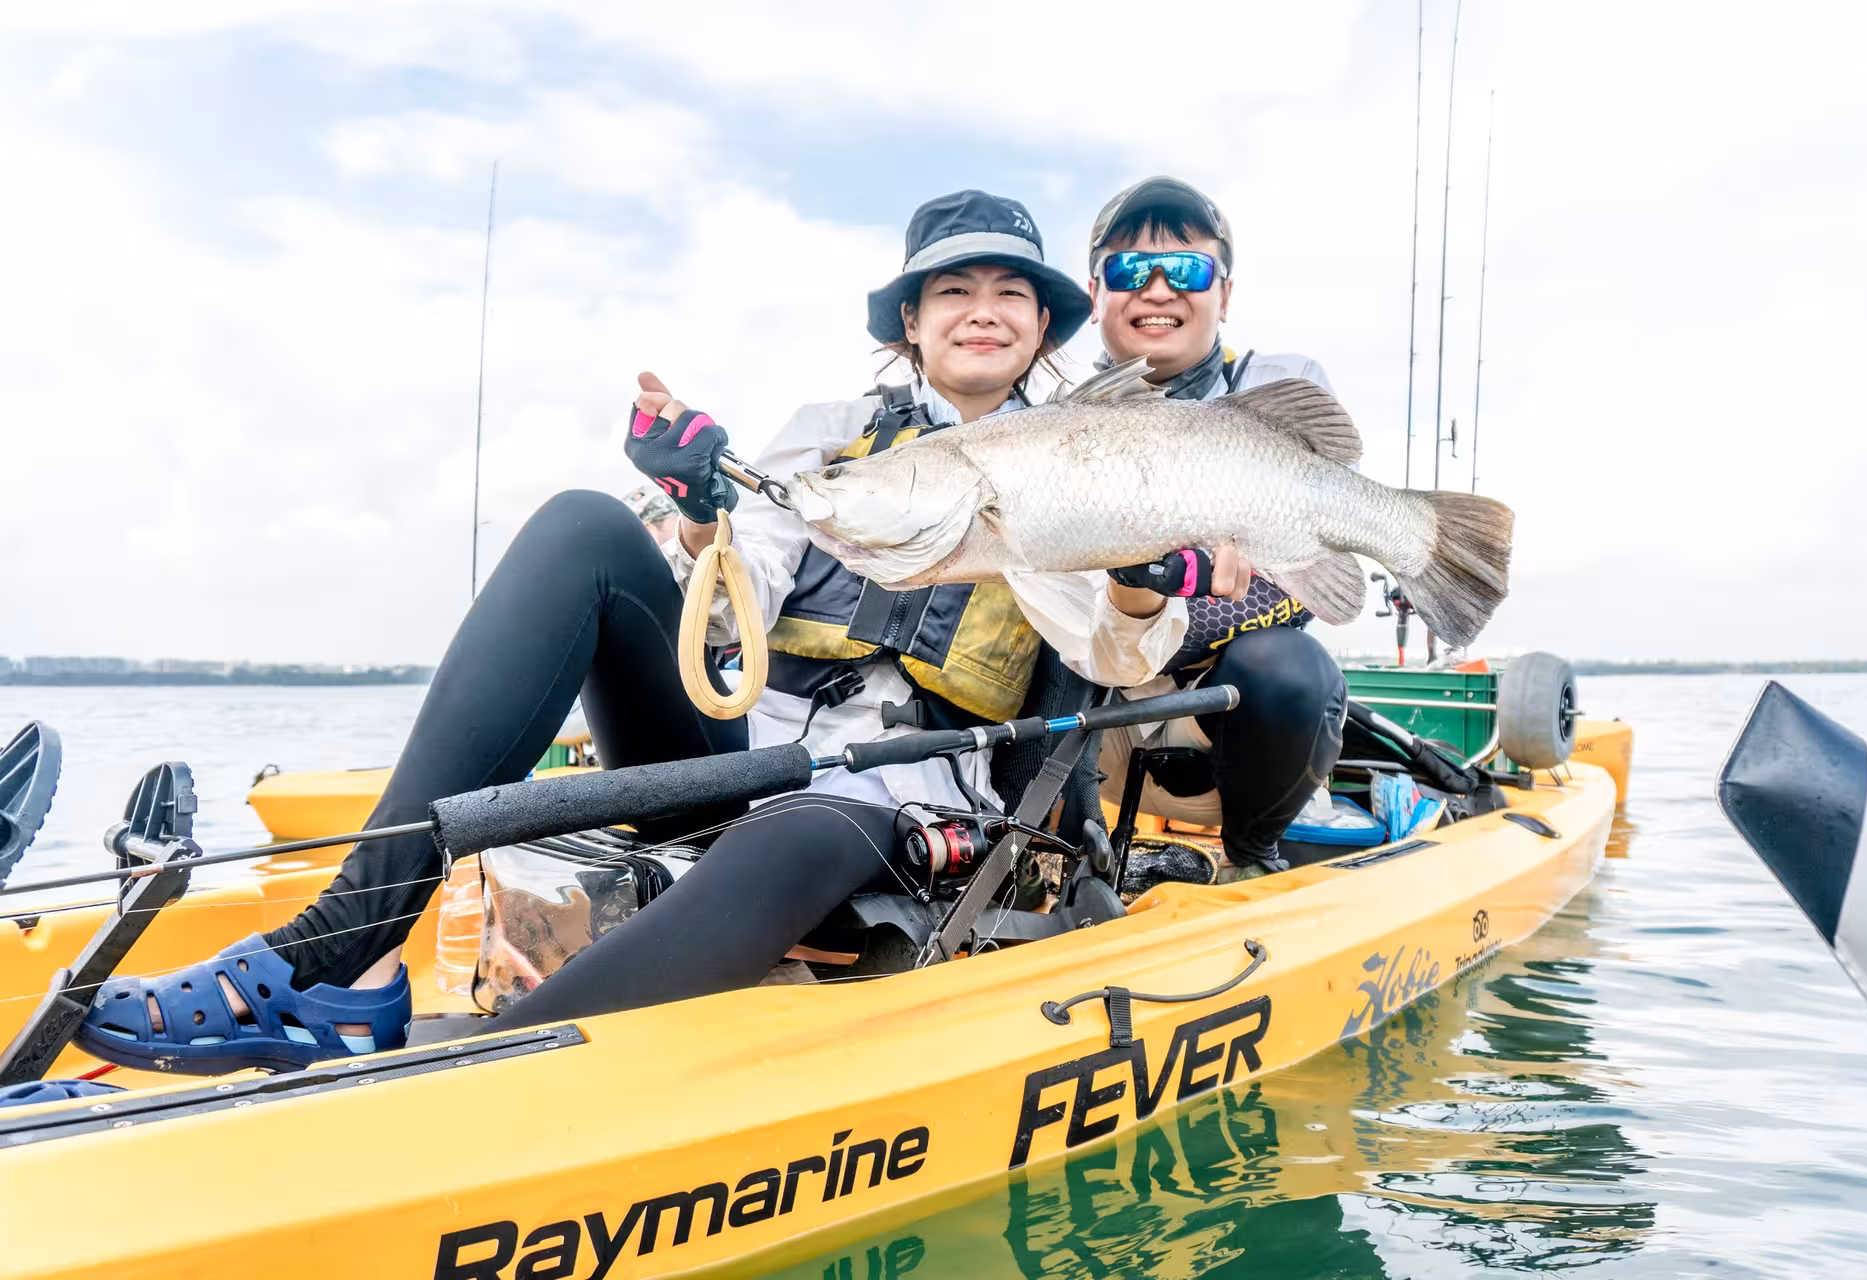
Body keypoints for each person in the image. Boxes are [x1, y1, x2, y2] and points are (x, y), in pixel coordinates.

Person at [76, 190, 1182, 1074]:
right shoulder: (826, 438)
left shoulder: (1081, 460)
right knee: (584, 527)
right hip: (745, 752)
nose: (980, 307)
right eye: (953, 288)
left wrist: (1140, 581)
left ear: (1042, 325)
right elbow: (734, 586)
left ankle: (470, 1078)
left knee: (800, 831)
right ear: (911, 320)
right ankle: (345, 948)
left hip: (907, 804)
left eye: (1008, 291)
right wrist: (701, 502)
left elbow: (1118, 658)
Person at [1086, 177, 1351, 881]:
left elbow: (1310, 572)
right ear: (1096, 296)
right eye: (1130, 269)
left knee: (1289, 668)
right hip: (1087, 735)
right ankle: (1052, 854)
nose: (1159, 289)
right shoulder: (1052, 412)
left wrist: (1172, 591)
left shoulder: (1280, 385)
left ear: (1224, 296)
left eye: (1190, 269)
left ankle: (1251, 853)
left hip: (1220, 741)